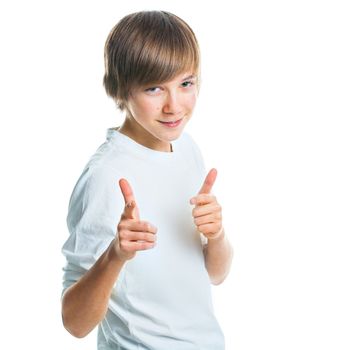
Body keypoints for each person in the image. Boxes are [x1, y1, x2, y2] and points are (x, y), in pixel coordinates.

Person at [61, 10, 234, 350]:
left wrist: (216, 234)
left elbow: (215, 275)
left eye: (186, 83)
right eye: (154, 88)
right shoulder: (105, 176)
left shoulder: (186, 148)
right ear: (120, 90)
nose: (174, 106)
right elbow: (75, 323)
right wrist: (115, 255)